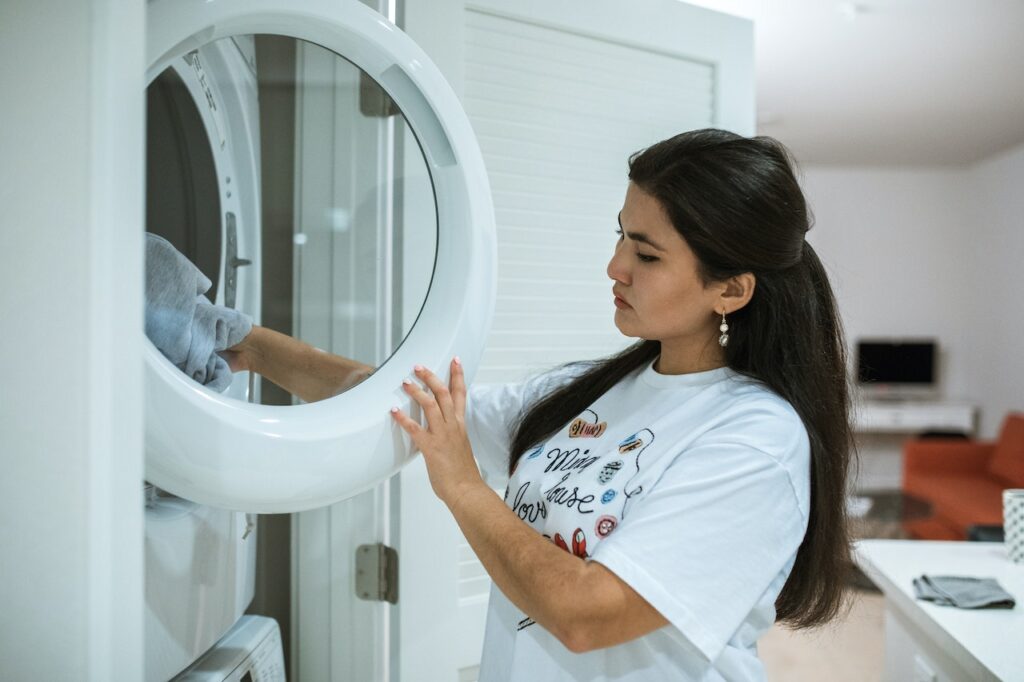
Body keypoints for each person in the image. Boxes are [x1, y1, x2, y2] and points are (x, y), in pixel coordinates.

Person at [226, 128, 853, 680]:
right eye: (620, 237)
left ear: (731, 289)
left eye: (647, 253)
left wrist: (464, 486)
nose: (615, 266)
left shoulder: (754, 442)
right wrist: (248, 343)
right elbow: (408, 402)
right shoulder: (591, 392)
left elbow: (585, 615)